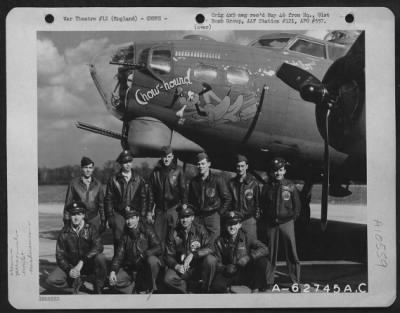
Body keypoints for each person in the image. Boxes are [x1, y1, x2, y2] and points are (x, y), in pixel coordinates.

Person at [45, 201, 107, 294]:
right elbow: (60, 255)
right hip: (72, 266)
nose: (76, 217)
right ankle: (74, 284)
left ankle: (99, 286)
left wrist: (82, 261)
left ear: (83, 215)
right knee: (51, 280)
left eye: (79, 214)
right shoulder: (64, 232)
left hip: (88, 264)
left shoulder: (91, 228)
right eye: (73, 214)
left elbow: (98, 246)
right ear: (70, 216)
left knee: (101, 258)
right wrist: (68, 270)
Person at [261, 157, 301, 287]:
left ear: (284, 171)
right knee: (271, 252)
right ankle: (268, 280)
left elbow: (297, 205)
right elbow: (263, 205)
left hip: (286, 223)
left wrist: (292, 218)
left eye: (280, 170)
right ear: (272, 172)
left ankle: (295, 280)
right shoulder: (267, 186)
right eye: (275, 171)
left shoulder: (290, 185)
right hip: (272, 223)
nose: (278, 173)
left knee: (291, 252)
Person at [211, 211, 269, 293]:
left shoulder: (247, 237)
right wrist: (225, 269)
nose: (232, 227)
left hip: (245, 272)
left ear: (239, 225)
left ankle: (256, 289)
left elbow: (264, 249)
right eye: (229, 224)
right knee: (217, 286)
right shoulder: (219, 241)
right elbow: (217, 261)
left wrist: (248, 257)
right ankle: (229, 293)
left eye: (235, 224)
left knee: (261, 261)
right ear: (225, 225)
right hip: (230, 272)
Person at [164, 205, 217, 293]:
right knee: (168, 278)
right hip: (182, 268)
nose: (184, 220)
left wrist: (194, 254)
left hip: (197, 268)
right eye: (182, 217)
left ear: (192, 218)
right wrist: (176, 266)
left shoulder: (200, 229)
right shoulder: (173, 232)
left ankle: (205, 290)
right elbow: (168, 255)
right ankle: (186, 289)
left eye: (187, 217)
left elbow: (210, 248)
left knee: (211, 260)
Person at [109, 206, 162, 294]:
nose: (129, 221)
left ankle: (152, 287)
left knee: (153, 261)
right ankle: (134, 289)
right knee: (114, 281)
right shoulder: (124, 236)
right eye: (127, 219)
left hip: (145, 268)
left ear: (138, 218)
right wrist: (113, 271)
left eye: (132, 218)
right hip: (131, 269)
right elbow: (119, 255)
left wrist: (146, 254)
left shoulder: (147, 230)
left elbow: (159, 248)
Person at [104, 150, 148, 252]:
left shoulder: (139, 179)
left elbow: (143, 199)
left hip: (134, 214)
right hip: (119, 214)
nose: (128, 164)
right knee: (119, 238)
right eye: (125, 162)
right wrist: (110, 216)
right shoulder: (113, 179)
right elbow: (108, 199)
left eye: (129, 162)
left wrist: (142, 215)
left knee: (135, 239)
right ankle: (117, 264)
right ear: (120, 164)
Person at [147, 146, 187, 251]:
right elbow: (150, 194)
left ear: (172, 157)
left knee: (173, 238)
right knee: (158, 240)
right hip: (160, 210)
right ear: (161, 157)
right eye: (164, 157)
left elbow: (183, 190)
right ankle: (160, 264)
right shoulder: (155, 173)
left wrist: (184, 206)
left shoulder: (178, 171)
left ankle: (173, 263)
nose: (166, 159)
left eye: (169, 156)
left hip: (174, 209)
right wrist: (149, 211)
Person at [188, 151, 231, 244]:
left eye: (203, 163)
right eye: (198, 164)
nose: (201, 166)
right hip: (198, 217)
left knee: (213, 244)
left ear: (209, 164)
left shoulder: (218, 179)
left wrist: (219, 213)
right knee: (197, 242)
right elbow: (190, 201)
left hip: (212, 217)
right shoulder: (193, 182)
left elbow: (227, 198)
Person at [63, 156, 106, 233]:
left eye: (90, 168)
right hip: (79, 218)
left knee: (94, 242)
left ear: (93, 169)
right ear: (82, 168)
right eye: (86, 167)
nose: (88, 170)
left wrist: (103, 220)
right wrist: (66, 219)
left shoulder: (98, 184)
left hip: (94, 219)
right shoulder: (74, 184)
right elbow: (68, 203)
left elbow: (102, 204)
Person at [228, 154, 260, 243]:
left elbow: (258, 202)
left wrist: (255, 218)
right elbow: (229, 201)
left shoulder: (253, 183)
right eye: (238, 166)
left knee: (251, 243)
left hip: (249, 219)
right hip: (235, 220)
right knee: (236, 245)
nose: (240, 168)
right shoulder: (231, 183)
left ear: (246, 166)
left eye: (242, 166)